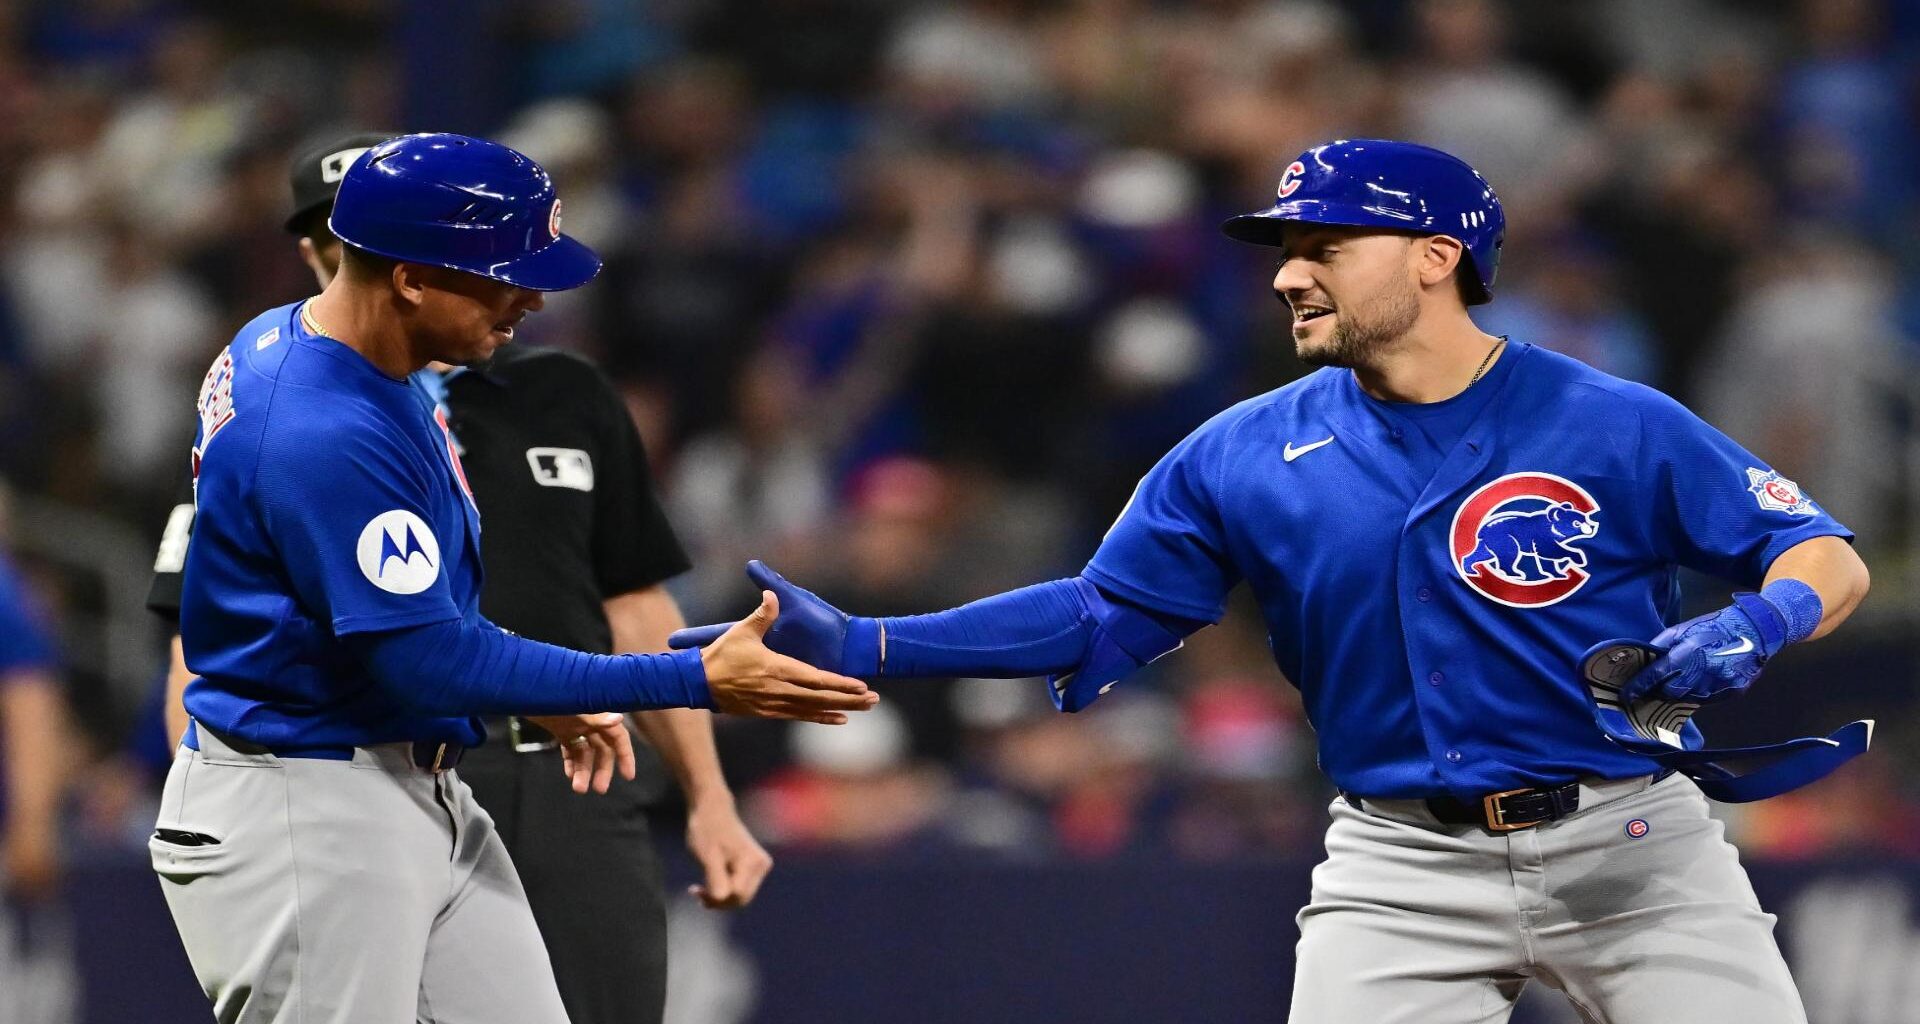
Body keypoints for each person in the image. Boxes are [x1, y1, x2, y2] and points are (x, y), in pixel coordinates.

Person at [672, 139, 1871, 1021]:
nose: (1292, 274)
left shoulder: (1610, 420)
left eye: (1324, 247)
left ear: (1438, 256)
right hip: (1402, 867)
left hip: (1635, 843)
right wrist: (880, 645)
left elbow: (1826, 553)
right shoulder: (1241, 450)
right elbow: (1103, 612)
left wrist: (1764, 619)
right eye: (1287, 250)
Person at [153, 132, 875, 1024]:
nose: (531, 298)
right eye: (502, 272)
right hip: (308, 803)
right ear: (412, 278)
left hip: (409, 782)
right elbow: (433, 661)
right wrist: (692, 677)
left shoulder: (316, 346)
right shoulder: (322, 427)